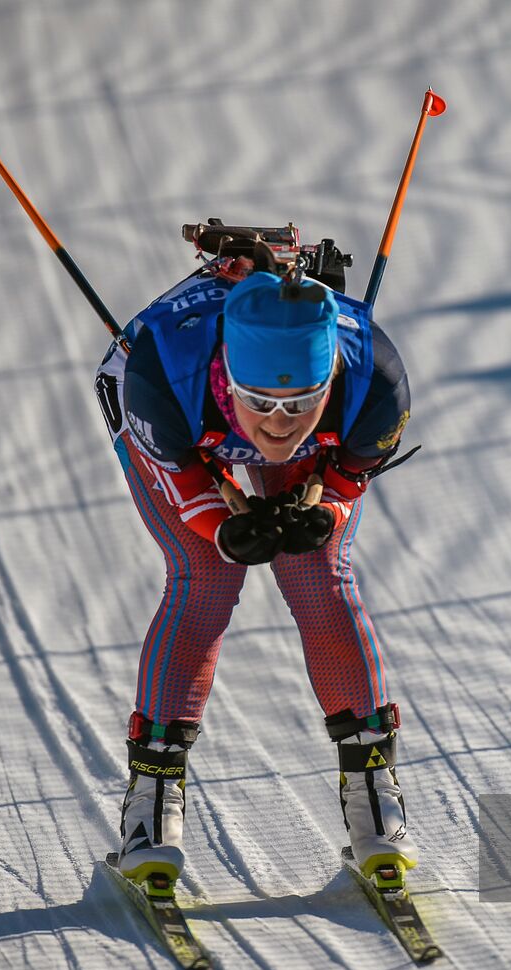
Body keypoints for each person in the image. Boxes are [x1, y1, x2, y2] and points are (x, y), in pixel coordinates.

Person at [93, 233, 417, 892]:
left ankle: (374, 798)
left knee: (319, 572)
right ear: (230, 377)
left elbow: (347, 475)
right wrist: (230, 524)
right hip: (188, 426)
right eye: (262, 401)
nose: (278, 424)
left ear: (329, 379)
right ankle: (149, 808)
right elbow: (191, 493)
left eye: (300, 403)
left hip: (250, 416)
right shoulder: (164, 376)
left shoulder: (376, 385)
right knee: (208, 574)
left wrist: (321, 509)